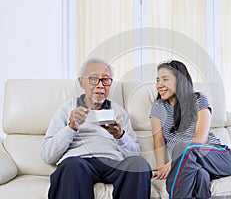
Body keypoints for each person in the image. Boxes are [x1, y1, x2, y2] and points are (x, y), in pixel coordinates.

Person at [41, 57, 152, 199]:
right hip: (79, 162)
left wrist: (120, 136)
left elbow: (134, 154)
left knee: (139, 164)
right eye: (94, 79)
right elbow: (47, 155)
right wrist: (71, 127)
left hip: (113, 162)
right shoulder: (66, 109)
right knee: (72, 165)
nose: (100, 85)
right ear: (81, 82)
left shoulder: (118, 111)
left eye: (106, 80)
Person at [150, 60, 231, 199]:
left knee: (183, 147)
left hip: (217, 157)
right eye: (158, 80)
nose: (159, 85)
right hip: (191, 164)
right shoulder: (158, 107)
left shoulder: (198, 99)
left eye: (165, 79)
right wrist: (161, 168)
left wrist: (174, 163)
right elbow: (158, 140)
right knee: (201, 176)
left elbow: (200, 139)